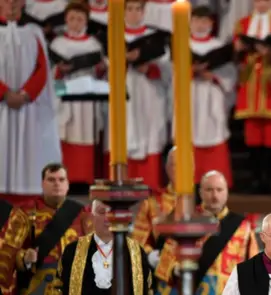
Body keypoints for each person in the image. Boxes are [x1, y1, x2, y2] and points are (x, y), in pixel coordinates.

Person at [154, 171, 259, 295]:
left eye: (219, 189)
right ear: (200, 192)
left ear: (227, 193)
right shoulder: (186, 221)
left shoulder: (242, 226)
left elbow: (254, 270)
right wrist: (176, 270)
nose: (214, 195)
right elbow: (165, 261)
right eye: (209, 189)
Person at [0, 163, 92, 295]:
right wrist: (24, 258)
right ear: (42, 184)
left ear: (68, 185)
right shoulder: (23, 215)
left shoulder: (84, 215)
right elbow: (7, 254)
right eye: (51, 180)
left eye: (61, 180)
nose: (56, 184)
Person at [0, 0, 60, 204]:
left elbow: (41, 69)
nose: (12, 4)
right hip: (2, 106)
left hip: (28, 108)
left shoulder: (33, 31)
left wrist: (25, 94)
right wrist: (5, 93)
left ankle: (26, 198)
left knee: (28, 154)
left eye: (16, 0)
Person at [233, 0, 271, 194]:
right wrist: (239, 49)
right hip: (250, 86)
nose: (262, 3)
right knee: (252, 139)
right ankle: (255, 179)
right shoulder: (242, 24)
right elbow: (235, 57)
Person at [51, 1, 108, 186]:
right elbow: (49, 71)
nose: (75, 23)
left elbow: (100, 72)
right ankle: (63, 178)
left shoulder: (93, 44)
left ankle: (84, 178)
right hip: (64, 95)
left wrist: (100, 69)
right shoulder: (57, 43)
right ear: (66, 19)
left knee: (84, 133)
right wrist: (59, 70)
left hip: (85, 98)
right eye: (72, 18)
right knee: (65, 133)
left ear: (87, 21)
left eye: (80, 19)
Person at [117, 0, 171, 191]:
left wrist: (149, 67)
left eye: (138, 9)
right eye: (129, 9)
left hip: (149, 89)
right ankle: (124, 181)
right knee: (126, 129)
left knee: (150, 131)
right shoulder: (115, 33)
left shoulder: (153, 36)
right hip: (125, 87)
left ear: (144, 11)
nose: (133, 13)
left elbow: (166, 66)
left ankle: (151, 181)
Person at [132, 147, 178, 295]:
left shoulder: (202, 202)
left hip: (197, 282)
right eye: (175, 165)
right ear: (167, 167)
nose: (180, 170)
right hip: (164, 282)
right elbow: (138, 240)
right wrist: (151, 255)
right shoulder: (153, 203)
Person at [189, 6, 237, 187]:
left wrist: (214, 77)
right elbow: (170, 77)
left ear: (211, 23)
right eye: (197, 21)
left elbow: (230, 76)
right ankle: (191, 183)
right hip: (190, 97)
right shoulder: (181, 45)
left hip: (211, 96)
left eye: (205, 21)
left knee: (214, 136)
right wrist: (190, 71)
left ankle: (216, 184)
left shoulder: (219, 47)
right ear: (190, 22)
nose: (201, 25)